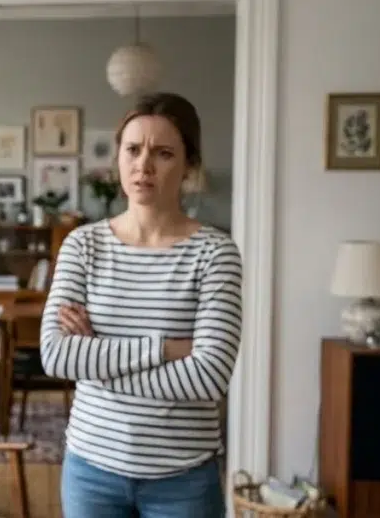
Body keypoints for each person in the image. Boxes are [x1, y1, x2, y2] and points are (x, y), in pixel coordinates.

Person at [40, 92, 243, 518]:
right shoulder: (83, 244)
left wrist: (96, 364)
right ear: (119, 157)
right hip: (90, 469)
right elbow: (57, 355)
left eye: (163, 153)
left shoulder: (215, 252)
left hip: (184, 479)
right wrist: (165, 349)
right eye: (133, 149)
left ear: (189, 164)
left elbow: (208, 378)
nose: (143, 165)